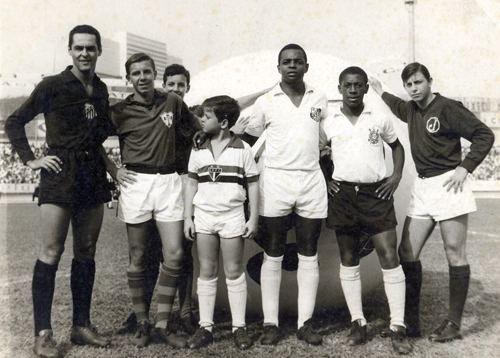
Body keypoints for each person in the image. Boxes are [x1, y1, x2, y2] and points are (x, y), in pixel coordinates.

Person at [5, 25, 113, 358]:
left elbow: (97, 139)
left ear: (98, 52)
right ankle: (43, 333)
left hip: (92, 175)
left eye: (90, 48)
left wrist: (113, 170)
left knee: (86, 250)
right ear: (70, 50)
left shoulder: (101, 89)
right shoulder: (52, 85)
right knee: (51, 251)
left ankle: (81, 326)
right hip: (60, 175)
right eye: (78, 48)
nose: (84, 53)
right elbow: (14, 121)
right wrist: (31, 160)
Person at [369, 63, 494, 342]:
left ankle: (453, 323)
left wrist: (465, 167)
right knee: (407, 251)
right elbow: (394, 103)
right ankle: (410, 323)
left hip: (450, 183)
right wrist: (378, 88)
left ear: (429, 82)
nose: (414, 89)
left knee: (454, 251)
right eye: (409, 85)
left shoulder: (448, 108)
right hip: (423, 186)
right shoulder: (410, 109)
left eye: (418, 83)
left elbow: (485, 135)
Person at [108, 53, 201, 348]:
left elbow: (198, 128)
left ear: (154, 74)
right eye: (136, 73)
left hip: (169, 181)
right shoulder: (119, 110)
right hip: (135, 183)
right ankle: (142, 322)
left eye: (147, 71)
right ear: (129, 79)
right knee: (137, 258)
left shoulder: (172, 102)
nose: (142, 77)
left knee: (174, 254)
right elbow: (92, 139)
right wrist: (113, 169)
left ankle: (162, 324)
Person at [241, 43, 328, 346]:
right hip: (275, 179)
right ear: (278, 67)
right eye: (286, 61)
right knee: (273, 250)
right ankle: (270, 324)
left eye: (298, 61)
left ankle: (306, 323)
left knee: (308, 249)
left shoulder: (320, 98)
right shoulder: (266, 101)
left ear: (306, 66)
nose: (292, 65)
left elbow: (328, 138)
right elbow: (247, 139)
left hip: (311, 179)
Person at [321, 66, 411, 354]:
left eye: (358, 85)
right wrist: (326, 181)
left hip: (375, 193)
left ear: (365, 88)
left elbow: (397, 147)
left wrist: (395, 176)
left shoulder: (379, 117)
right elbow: (314, 152)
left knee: (389, 255)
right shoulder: (328, 121)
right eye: (347, 85)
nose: (352, 90)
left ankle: (398, 325)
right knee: (348, 257)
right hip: (344, 194)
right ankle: (357, 322)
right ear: (339, 88)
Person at [183, 95, 260, 350]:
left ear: (224, 122)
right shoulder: (198, 148)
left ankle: (239, 328)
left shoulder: (243, 150)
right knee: (206, 271)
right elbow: (191, 183)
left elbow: (253, 184)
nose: (201, 119)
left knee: (234, 271)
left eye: (207, 115)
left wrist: (253, 218)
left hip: (231, 216)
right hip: (204, 215)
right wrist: (187, 216)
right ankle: (205, 327)